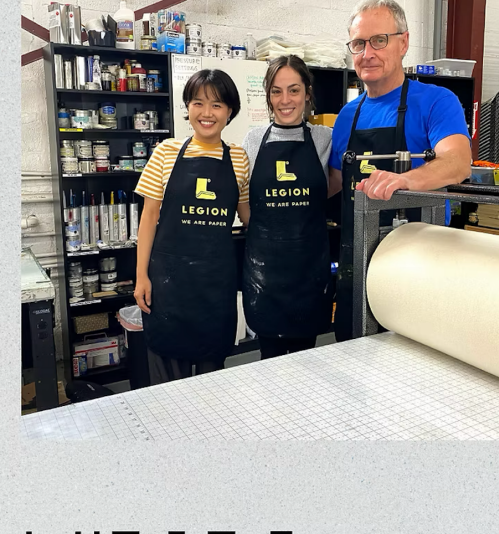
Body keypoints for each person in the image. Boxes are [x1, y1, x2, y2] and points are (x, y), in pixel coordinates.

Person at [330, 0, 472, 341]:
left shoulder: (437, 101)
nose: (368, 53)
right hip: (357, 262)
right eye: (359, 44)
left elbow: (458, 162)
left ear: (403, 42)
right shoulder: (347, 115)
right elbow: (333, 183)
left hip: (417, 264)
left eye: (380, 40)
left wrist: (403, 181)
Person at [133, 69, 250, 384]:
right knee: (167, 384)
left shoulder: (238, 158)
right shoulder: (166, 152)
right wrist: (141, 276)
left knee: (212, 382)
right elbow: (149, 216)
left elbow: (248, 214)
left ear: (229, 111)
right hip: (169, 284)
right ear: (188, 107)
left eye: (216, 105)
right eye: (198, 103)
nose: (207, 113)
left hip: (216, 287)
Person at [242, 55, 342, 360]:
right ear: (268, 96)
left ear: (307, 93)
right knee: (269, 361)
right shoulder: (253, 140)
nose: (285, 100)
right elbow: (244, 198)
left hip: (309, 273)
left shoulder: (325, 138)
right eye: (276, 91)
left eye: (294, 90)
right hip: (265, 276)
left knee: (306, 361)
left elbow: (333, 183)